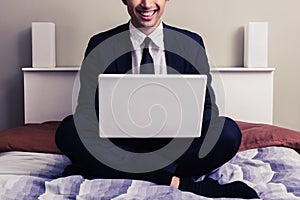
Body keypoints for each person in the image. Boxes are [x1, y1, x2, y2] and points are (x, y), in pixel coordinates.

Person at [55, 0, 258, 198]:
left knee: (228, 133)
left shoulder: (191, 43)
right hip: (119, 145)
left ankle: (111, 169)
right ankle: (179, 182)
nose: (146, 4)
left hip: (176, 149)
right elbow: (86, 111)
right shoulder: (100, 44)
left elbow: (207, 108)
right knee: (69, 131)